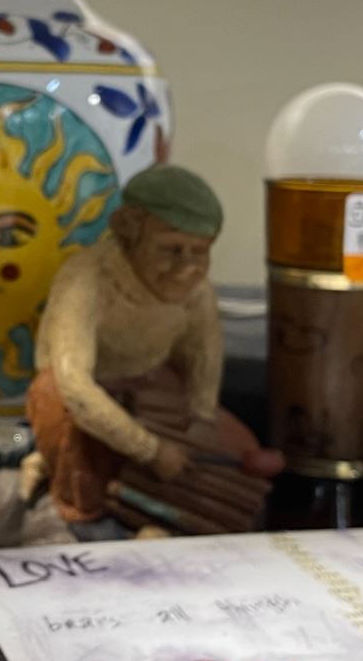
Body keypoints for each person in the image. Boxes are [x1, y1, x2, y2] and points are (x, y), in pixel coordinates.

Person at [26, 165, 225, 523]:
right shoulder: (86, 280)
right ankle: (80, 510)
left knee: (230, 455)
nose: (187, 269)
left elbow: (203, 357)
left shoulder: (196, 290)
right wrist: (150, 450)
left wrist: (201, 419)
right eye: (171, 250)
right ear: (130, 233)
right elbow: (75, 387)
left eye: (199, 252)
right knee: (58, 410)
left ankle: (155, 510)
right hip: (80, 402)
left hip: (148, 391)